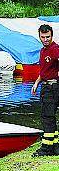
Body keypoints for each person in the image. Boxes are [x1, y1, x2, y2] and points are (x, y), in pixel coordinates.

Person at [32, 24, 59, 156]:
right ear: (40, 37)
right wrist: (36, 83)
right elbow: (44, 71)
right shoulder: (43, 51)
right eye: (43, 37)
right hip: (45, 85)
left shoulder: (55, 49)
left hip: (53, 87)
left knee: (47, 117)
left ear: (51, 36)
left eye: (47, 37)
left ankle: (46, 148)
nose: (45, 39)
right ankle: (55, 146)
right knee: (49, 116)